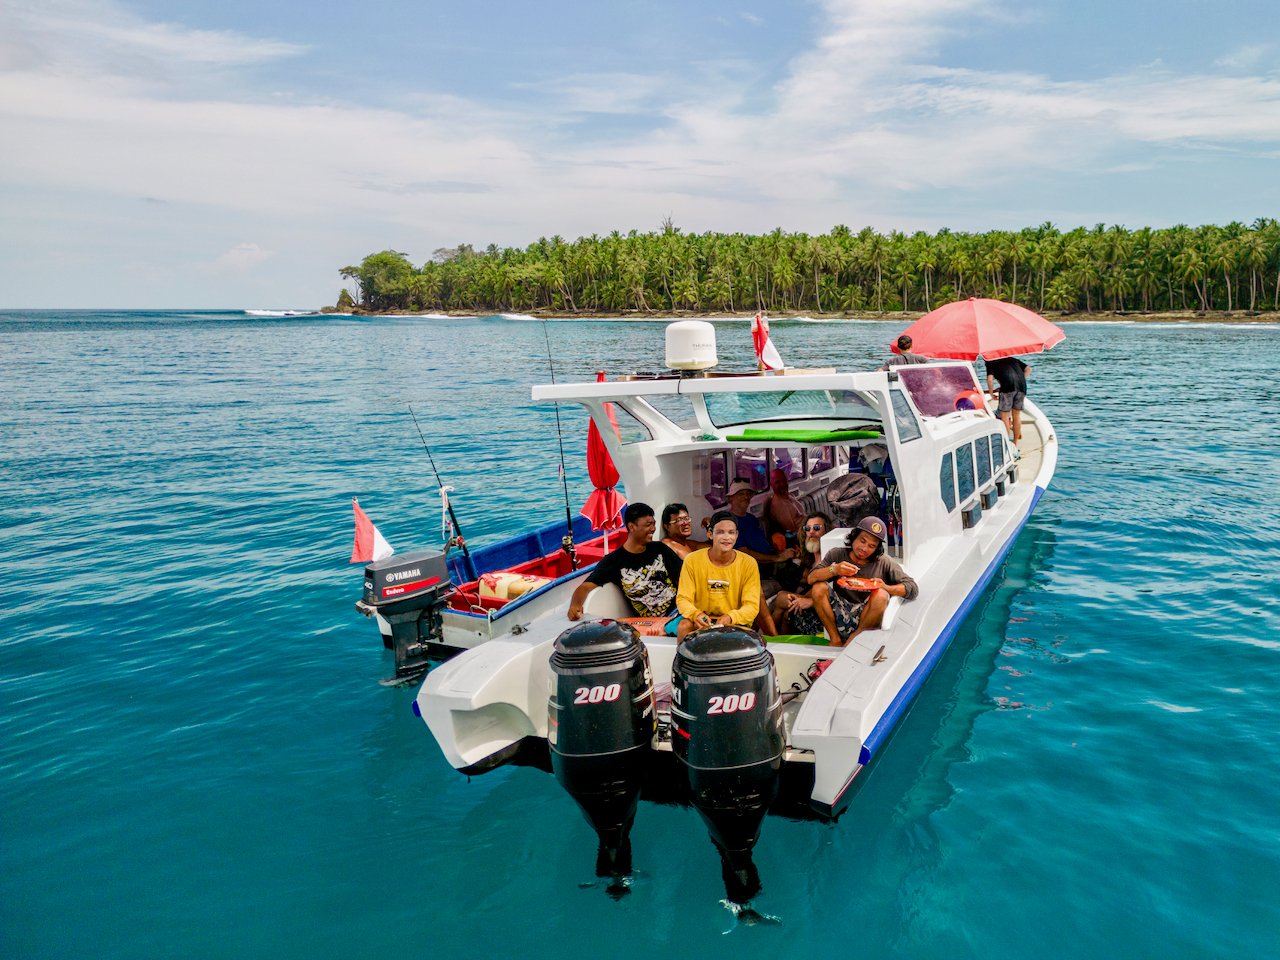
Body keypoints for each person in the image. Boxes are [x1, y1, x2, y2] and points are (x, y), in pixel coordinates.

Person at [788, 516, 917, 646]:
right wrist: (835, 569)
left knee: (881, 594)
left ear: (877, 548)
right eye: (862, 541)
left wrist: (886, 587)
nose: (864, 548)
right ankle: (835, 639)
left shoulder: (883, 562)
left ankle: (853, 640)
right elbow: (811, 578)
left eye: (872, 546)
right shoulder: (837, 554)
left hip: (867, 616)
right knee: (818, 587)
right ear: (854, 536)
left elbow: (912, 587)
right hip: (840, 610)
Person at [567, 503, 683, 626]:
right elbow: (585, 587)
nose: (653, 529)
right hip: (650, 624)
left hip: (677, 612)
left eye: (654, 524)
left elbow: (685, 575)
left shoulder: (660, 549)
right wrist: (575, 605)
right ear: (631, 527)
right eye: (648, 525)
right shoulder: (614, 561)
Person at [675, 511, 761, 638]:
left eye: (731, 532)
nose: (726, 537)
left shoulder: (749, 563)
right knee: (683, 626)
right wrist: (696, 614)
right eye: (720, 532)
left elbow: (752, 606)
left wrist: (731, 618)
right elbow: (683, 599)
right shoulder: (692, 560)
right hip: (702, 621)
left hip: (734, 622)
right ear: (710, 534)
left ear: (737, 535)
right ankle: (683, 658)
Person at [769, 511, 832, 631]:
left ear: (826, 531)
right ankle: (773, 638)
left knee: (782, 598)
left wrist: (809, 601)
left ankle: (769, 636)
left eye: (817, 528)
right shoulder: (812, 555)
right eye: (807, 528)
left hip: (824, 612)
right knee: (785, 612)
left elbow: (830, 591)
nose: (811, 532)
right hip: (813, 604)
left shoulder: (830, 556)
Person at [725, 479, 798, 566]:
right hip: (758, 565)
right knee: (806, 574)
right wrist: (777, 558)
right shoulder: (729, 522)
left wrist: (781, 553)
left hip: (770, 558)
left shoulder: (751, 518)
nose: (745, 497)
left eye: (748, 494)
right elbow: (743, 553)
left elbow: (762, 544)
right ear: (730, 499)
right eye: (741, 494)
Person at [985, 355, 1031, 444]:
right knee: (1016, 416)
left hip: (1007, 389)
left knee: (1005, 417)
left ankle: (1006, 443)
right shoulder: (1012, 359)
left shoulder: (990, 362)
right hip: (1022, 387)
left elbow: (990, 380)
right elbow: (1028, 369)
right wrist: (1021, 379)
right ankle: (1015, 443)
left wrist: (991, 393)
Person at [763, 468, 806, 544]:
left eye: (784, 480)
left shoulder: (789, 496)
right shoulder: (778, 504)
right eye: (777, 482)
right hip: (803, 538)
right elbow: (791, 531)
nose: (782, 484)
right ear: (771, 484)